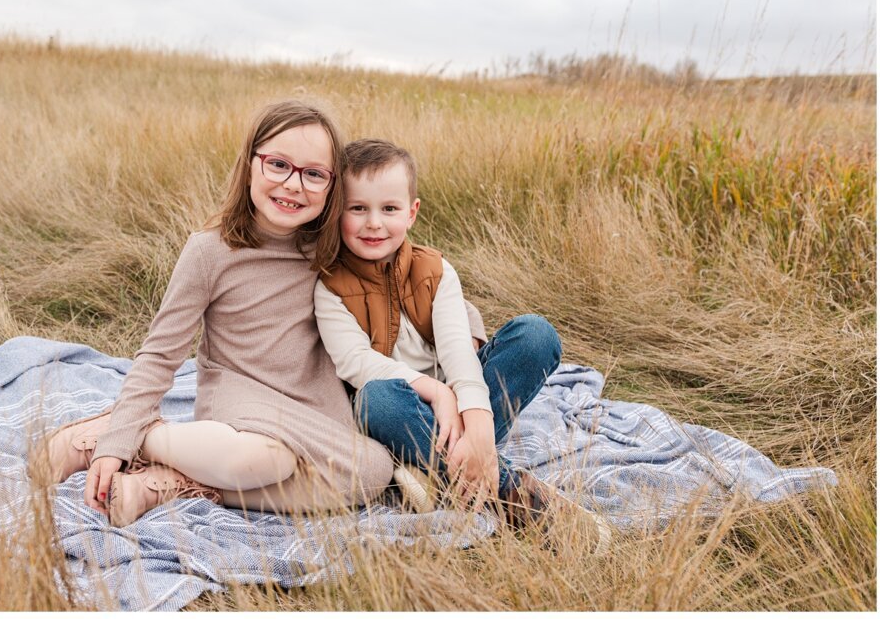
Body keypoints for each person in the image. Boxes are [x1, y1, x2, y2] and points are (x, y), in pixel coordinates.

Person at [39, 101, 397, 527]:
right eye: (278, 165)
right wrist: (117, 440)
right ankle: (128, 436)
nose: (293, 185)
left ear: (332, 185)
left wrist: (466, 331)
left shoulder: (335, 248)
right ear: (250, 165)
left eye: (314, 174)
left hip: (311, 405)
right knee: (263, 459)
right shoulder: (210, 251)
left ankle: (175, 482)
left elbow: (420, 281)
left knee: (373, 470)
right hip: (238, 395)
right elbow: (161, 354)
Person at [314, 139, 610, 546]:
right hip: (397, 407)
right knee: (375, 399)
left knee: (535, 334)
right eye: (358, 208)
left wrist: (478, 422)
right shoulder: (328, 285)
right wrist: (437, 393)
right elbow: (355, 363)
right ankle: (512, 493)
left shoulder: (435, 270)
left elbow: (459, 355)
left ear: (412, 212)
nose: (374, 223)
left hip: (458, 401)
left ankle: (438, 467)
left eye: (389, 209)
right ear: (337, 212)